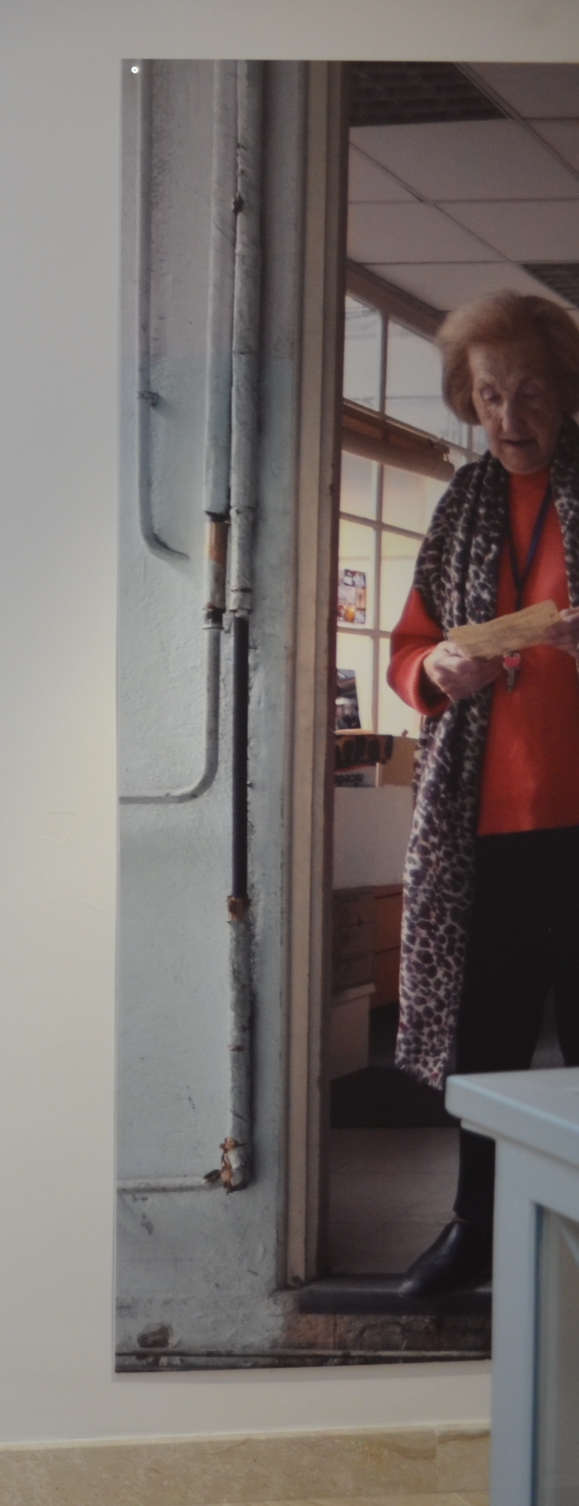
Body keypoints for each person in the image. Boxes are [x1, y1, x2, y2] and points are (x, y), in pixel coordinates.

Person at [387, 289, 579, 1296]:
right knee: (486, 1040)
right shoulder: (461, 504)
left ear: (566, 392)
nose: (510, 416)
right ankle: (477, 1228)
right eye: (490, 394)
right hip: (484, 826)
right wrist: (435, 669)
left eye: (531, 392)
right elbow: (407, 651)